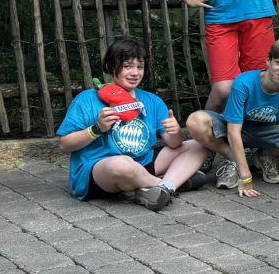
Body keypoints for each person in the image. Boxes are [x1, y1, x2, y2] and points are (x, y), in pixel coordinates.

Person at [57, 39, 208, 210]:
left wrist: (175, 132)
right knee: (122, 164)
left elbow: (174, 144)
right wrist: (97, 129)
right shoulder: (88, 99)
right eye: (127, 66)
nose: (135, 73)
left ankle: (151, 189)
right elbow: (64, 145)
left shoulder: (152, 101)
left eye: (140, 67)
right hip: (101, 170)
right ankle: (168, 185)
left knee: (199, 145)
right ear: (111, 66)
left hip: (142, 163)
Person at [186, 38, 279, 197]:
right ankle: (233, 159)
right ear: (268, 60)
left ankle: (266, 155)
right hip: (240, 128)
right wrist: (245, 175)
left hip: (269, 131)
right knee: (195, 121)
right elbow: (233, 131)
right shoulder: (244, 82)